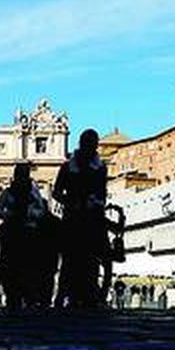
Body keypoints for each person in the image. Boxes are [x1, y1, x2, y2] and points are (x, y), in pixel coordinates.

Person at [52, 129, 108, 307]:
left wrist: (96, 201)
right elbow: (56, 192)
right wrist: (71, 201)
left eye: (94, 144)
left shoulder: (101, 168)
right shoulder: (68, 167)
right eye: (89, 144)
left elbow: (103, 193)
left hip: (92, 215)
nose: (92, 148)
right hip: (73, 216)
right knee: (69, 257)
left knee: (94, 255)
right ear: (82, 144)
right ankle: (62, 294)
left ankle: (90, 292)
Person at [0, 162, 50, 309]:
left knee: (30, 266)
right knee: (9, 265)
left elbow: (42, 211)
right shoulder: (7, 192)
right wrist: (10, 214)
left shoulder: (34, 193)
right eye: (19, 174)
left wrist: (30, 214)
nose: (22, 177)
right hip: (12, 232)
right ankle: (11, 295)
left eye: (24, 174)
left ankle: (29, 295)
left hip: (29, 232)